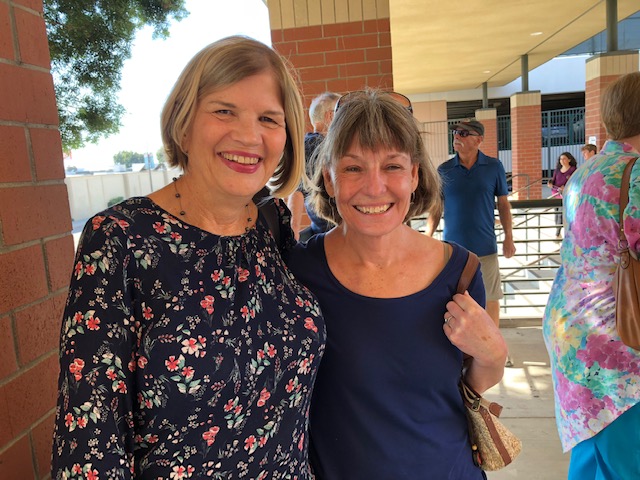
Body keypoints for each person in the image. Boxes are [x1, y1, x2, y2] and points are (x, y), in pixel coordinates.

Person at [51, 36, 326, 479]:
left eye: (268, 118)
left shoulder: (271, 223)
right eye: (223, 111)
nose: (248, 135)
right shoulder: (121, 239)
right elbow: (89, 434)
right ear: (183, 126)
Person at [285, 89, 507, 479]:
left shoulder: (460, 271)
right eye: (353, 168)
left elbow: (471, 385)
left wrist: (494, 356)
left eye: (392, 166)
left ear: (414, 176)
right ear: (329, 180)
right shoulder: (298, 272)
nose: (375, 187)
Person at [543, 71, 640, 479]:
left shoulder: (588, 169)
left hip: (573, 328)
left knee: (591, 453)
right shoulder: (636, 172)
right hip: (618, 336)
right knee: (625, 461)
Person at [426, 119, 516, 366]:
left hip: (485, 248)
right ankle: (456, 350)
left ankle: (493, 350)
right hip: (452, 252)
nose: (457, 136)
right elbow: (436, 209)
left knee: (491, 299)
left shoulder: (494, 167)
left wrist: (509, 237)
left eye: (464, 133)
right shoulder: (444, 170)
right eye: (455, 132)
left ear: (478, 140)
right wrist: (428, 237)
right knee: (453, 301)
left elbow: (503, 205)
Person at [287, 92, 340, 241]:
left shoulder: (318, 145)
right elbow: (297, 191)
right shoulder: (313, 145)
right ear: (330, 116)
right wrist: (292, 233)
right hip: (329, 235)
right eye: (341, 113)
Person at [548, 151, 577, 237]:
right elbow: (553, 180)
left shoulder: (573, 170)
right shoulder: (557, 170)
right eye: (561, 159)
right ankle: (558, 229)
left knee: (561, 214)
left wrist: (566, 187)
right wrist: (550, 183)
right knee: (556, 214)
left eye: (564, 159)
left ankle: (558, 232)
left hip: (565, 195)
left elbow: (574, 181)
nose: (562, 161)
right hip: (556, 194)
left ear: (569, 160)